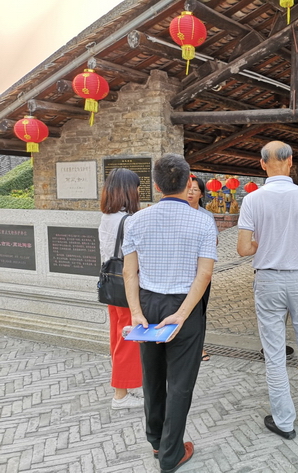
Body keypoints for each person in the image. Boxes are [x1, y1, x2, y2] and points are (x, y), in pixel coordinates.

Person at [122, 154, 218, 473]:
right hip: (184, 305)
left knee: (152, 375)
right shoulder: (203, 221)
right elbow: (204, 274)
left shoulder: (135, 220)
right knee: (180, 382)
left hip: (148, 303)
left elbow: (129, 272)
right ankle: (171, 454)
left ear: (156, 184)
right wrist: (182, 314)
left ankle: (155, 440)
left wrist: (136, 313)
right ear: (189, 182)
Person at [237, 141, 298, 440]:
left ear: (262, 164)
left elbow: (243, 249)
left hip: (268, 281)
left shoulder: (252, 200)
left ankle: (284, 421)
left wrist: (262, 244)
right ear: (291, 161)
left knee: (275, 354)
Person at [98, 168, 144, 410]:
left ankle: (122, 389)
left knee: (118, 337)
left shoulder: (107, 217)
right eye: (137, 187)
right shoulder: (130, 220)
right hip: (127, 288)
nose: (138, 192)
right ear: (129, 190)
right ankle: (120, 395)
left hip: (111, 287)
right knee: (128, 339)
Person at [186, 175, 218, 362]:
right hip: (182, 270)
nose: (191, 192)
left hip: (201, 271)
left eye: (195, 189)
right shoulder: (178, 213)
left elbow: (214, 241)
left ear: (201, 194)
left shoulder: (207, 216)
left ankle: (199, 347)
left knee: (199, 310)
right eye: (189, 189)